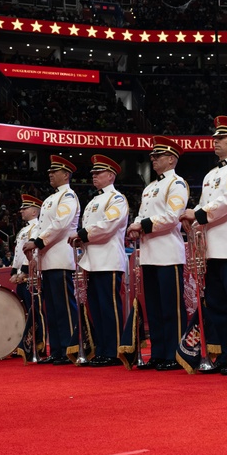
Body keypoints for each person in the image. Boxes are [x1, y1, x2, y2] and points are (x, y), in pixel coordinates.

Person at [178, 116, 227, 376]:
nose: (216, 141)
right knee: (218, 306)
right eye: (215, 138)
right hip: (211, 248)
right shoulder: (211, 174)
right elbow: (204, 204)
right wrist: (194, 222)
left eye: (221, 138)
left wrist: (197, 215)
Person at [126, 136, 189, 371]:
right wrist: (136, 226)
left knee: (171, 307)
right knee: (153, 307)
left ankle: (176, 353)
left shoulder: (177, 184)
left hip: (168, 253)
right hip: (150, 252)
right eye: (152, 155)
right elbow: (141, 215)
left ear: (171, 159)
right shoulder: (150, 187)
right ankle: (159, 353)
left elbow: (173, 216)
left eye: (158, 155)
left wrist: (141, 225)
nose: (153, 158)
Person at [69, 155, 129, 367]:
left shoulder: (117, 199)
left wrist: (82, 235)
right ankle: (102, 349)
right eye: (93, 173)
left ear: (111, 176)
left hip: (109, 259)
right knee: (96, 307)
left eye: (98, 173)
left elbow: (108, 225)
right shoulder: (94, 200)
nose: (94, 176)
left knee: (109, 307)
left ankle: (112, 351)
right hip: (92, 260)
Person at [23, 156, 81, 365]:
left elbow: (61, 225)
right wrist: (34, 244)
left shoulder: (68, 196)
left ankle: (69, 348)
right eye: (49, 172)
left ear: (65, 175)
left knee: (65, 307)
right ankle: (57, 349)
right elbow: (41, 227)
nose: (50, 174)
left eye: (54, 172)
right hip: (48, 259)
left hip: (61, 258)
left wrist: (37, 242)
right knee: (53, 309)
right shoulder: (49, 200)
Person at [11, 193, 45, 359]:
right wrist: (14, 271)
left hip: (31, 275)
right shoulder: (24, 229)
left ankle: (37, 343)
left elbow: (34, 253)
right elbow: (18, 253)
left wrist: (24, 271)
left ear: (34, 211)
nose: (21, 211)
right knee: (24, 311)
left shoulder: (37, 226)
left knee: (35, 310)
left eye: (25, 208)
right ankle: (24, 343)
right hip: (22, 274)